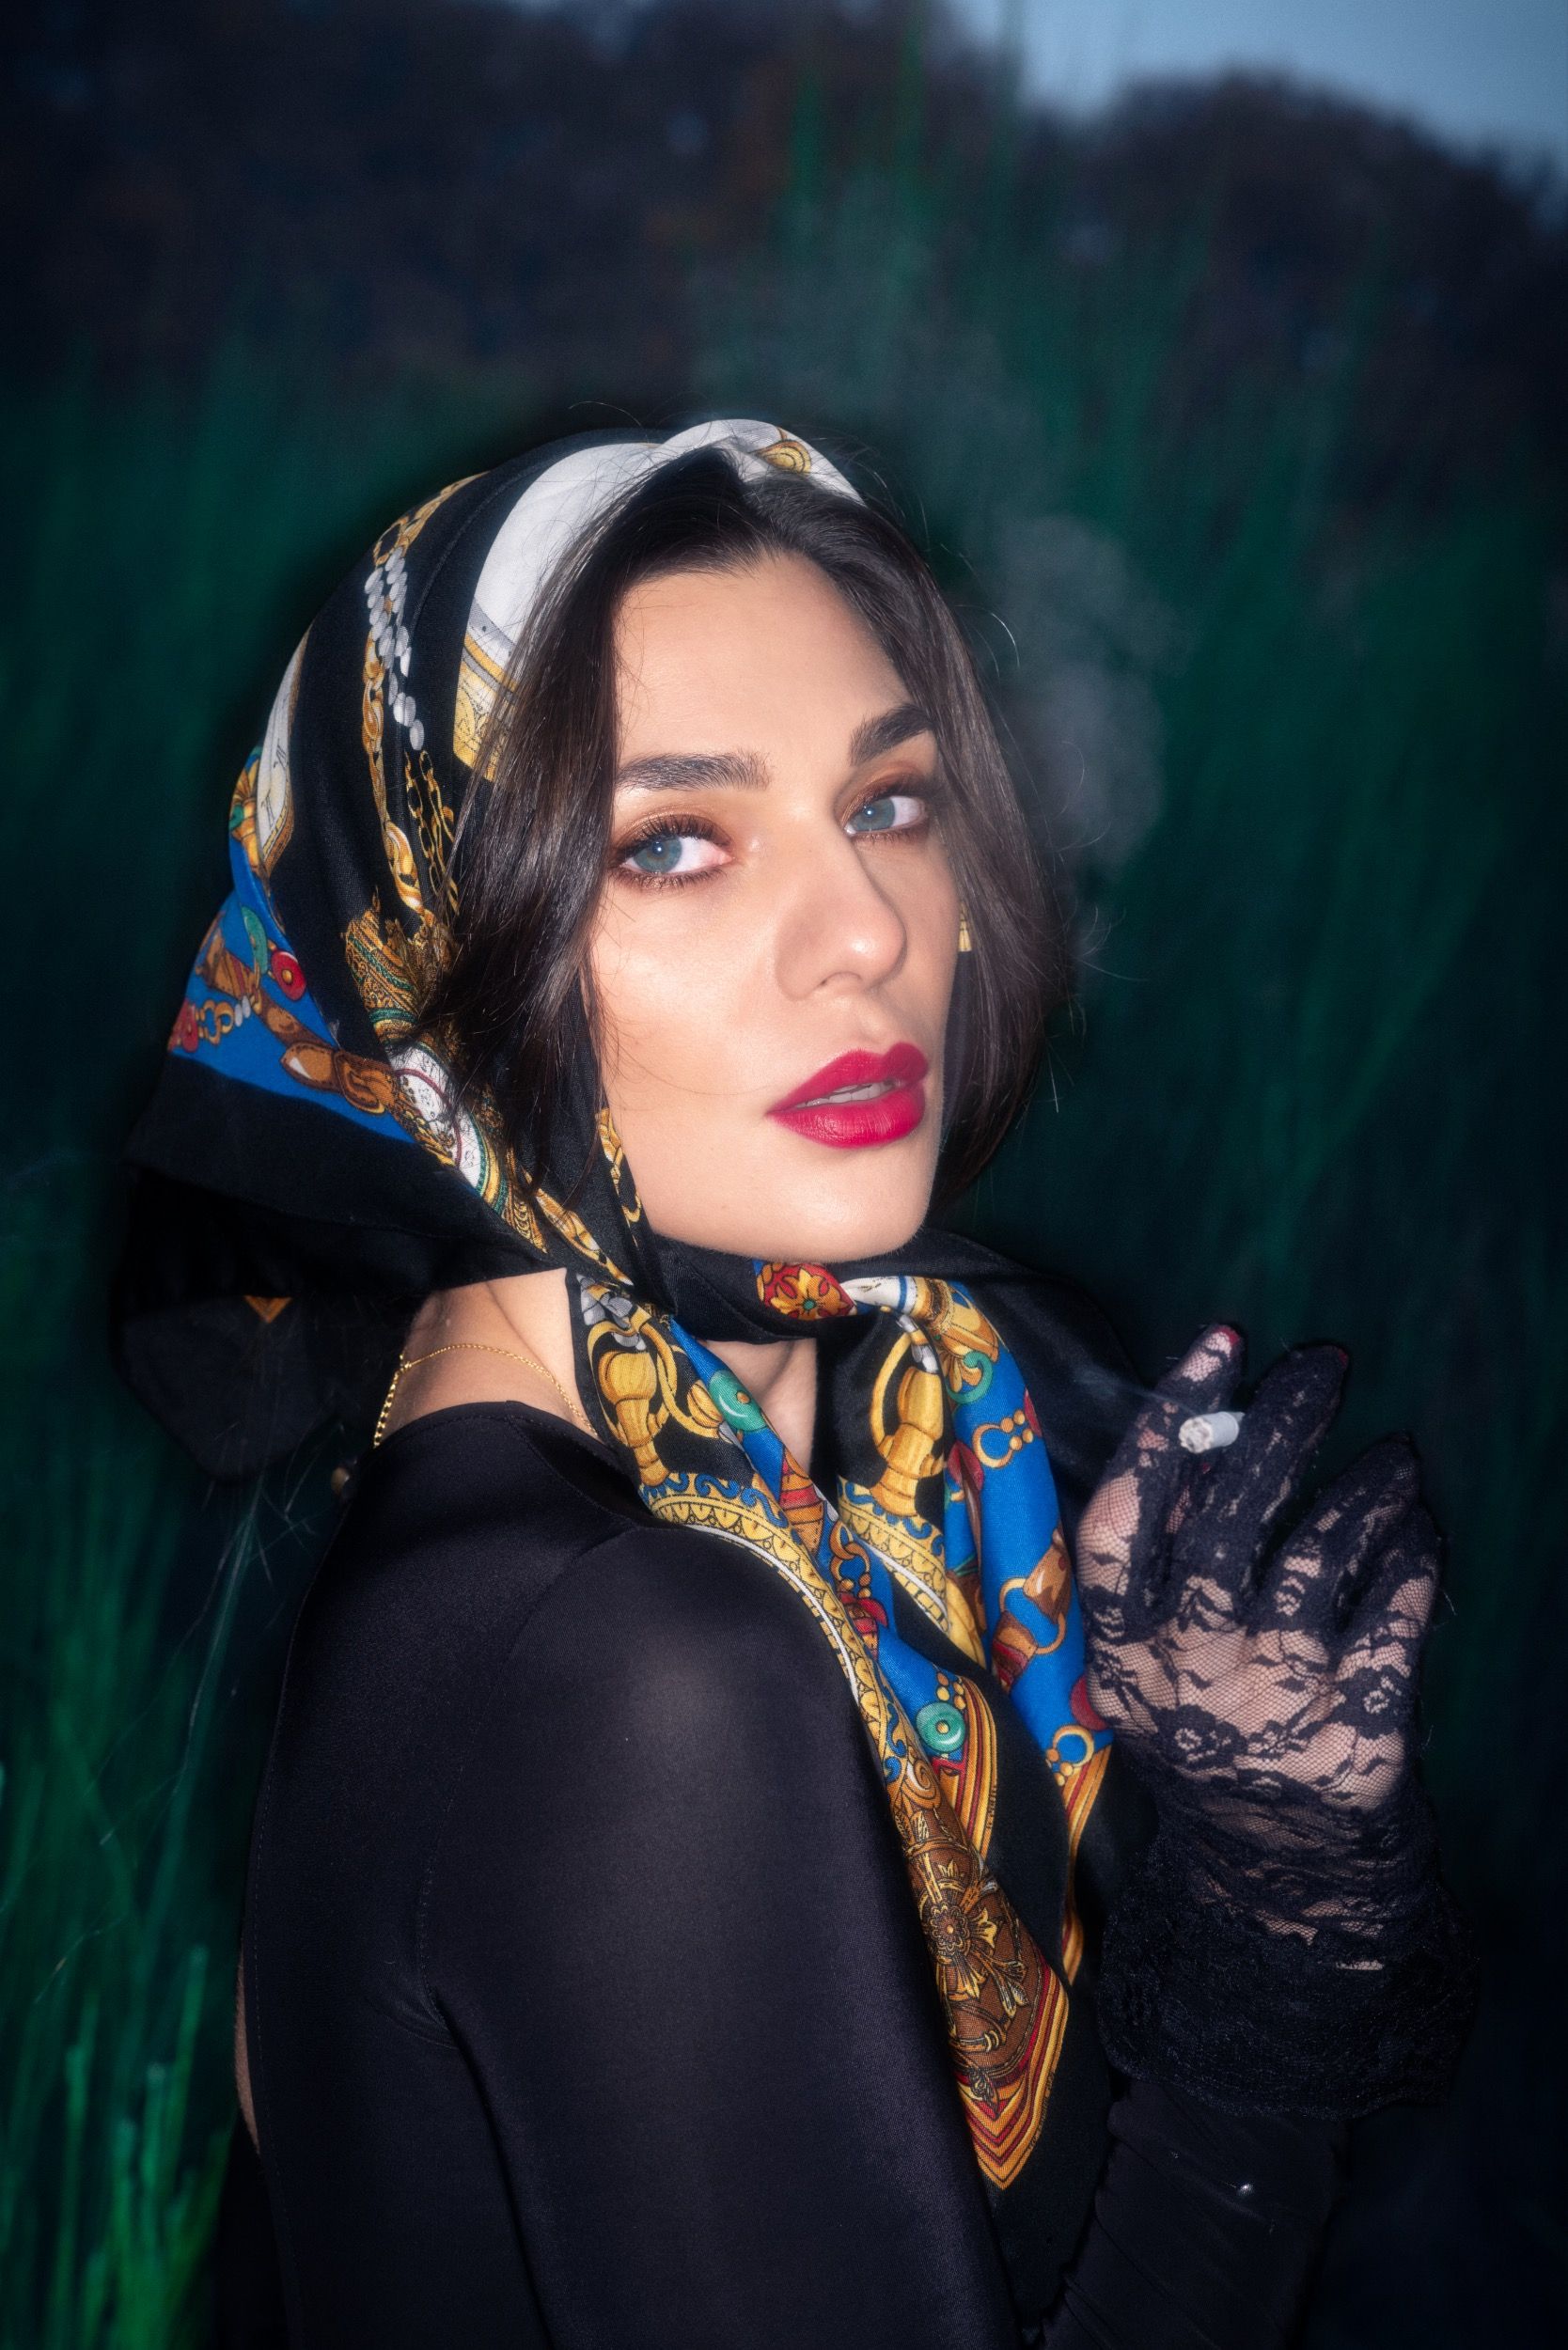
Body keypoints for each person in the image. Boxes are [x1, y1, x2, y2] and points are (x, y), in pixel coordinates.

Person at [113, 420, 1475, 2349]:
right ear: (418, 958)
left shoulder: (867, 1466)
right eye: (673, 843)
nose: (870, 931)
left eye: (891, 803)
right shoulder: (629, 1661)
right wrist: (1266, 1936)